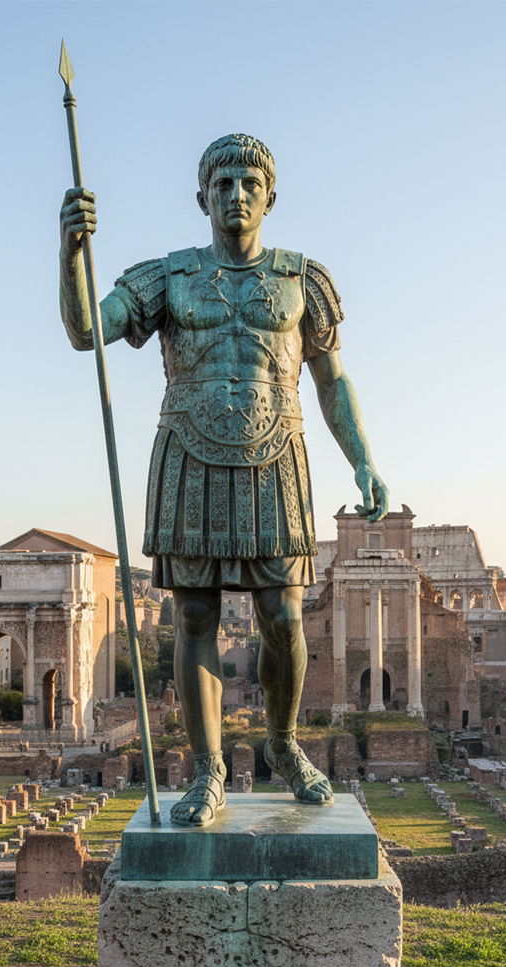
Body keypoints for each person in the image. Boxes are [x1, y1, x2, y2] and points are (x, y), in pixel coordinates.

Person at [60, 134, 388, 827]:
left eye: (248, 183)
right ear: (202, 197)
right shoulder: (168, 278)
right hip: (190, 452)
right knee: (197, 615)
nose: (236, 194)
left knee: (285, 617)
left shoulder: (305, 281)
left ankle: (283, 741)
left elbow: (332, 381)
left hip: (278, 456)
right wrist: (71, 256)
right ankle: (208, 771)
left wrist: (361, 457)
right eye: (223, 184)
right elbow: (89, 331)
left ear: (269, 196)